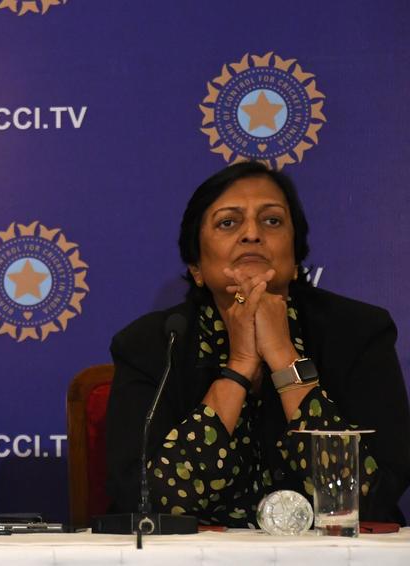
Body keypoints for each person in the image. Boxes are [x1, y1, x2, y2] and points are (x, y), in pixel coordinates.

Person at [105, 161, 410, 526]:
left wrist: (283, 357)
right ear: (196, 267)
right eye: (228, 222)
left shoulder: (358, 332)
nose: (252, 234)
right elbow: (151, 502)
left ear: (296, 259)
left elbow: (369, 495)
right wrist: (239, 366)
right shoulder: (153, 344)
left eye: (272, 221)